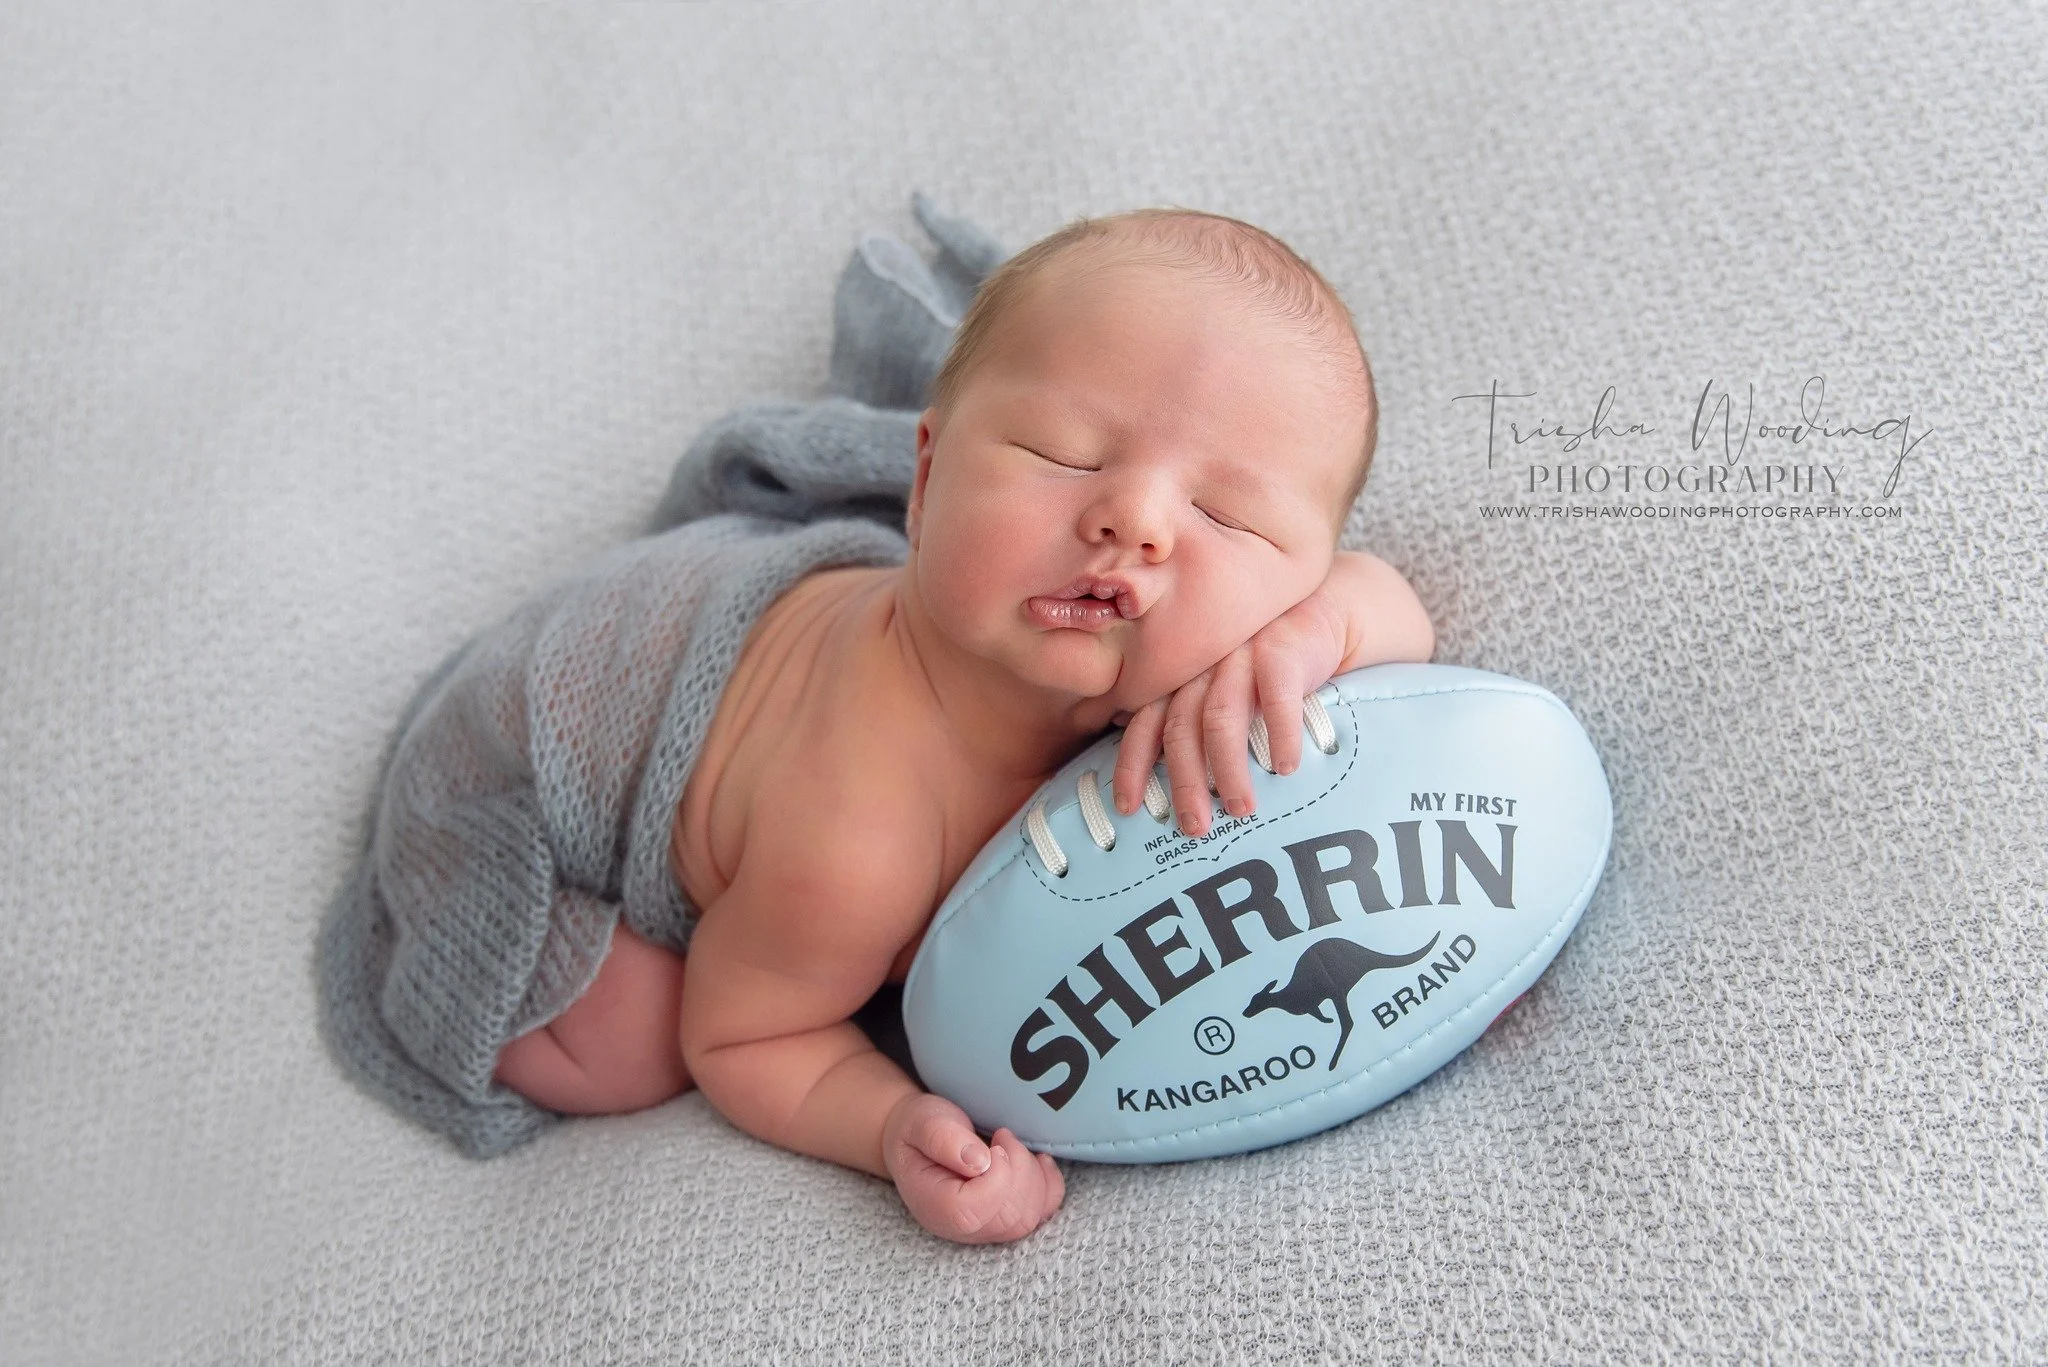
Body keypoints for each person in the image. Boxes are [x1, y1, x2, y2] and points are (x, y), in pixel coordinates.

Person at [490, 207, 1436, 1244]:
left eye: (1227, 517)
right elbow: (748, 1038)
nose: (1138, 521)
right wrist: (892, 1122)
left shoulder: (1237, 661)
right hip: (563, 719)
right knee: (632, 1035)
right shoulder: (858, 838)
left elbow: (1389, 608)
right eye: (1066, 454)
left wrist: (1309, 635)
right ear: (925, 479)